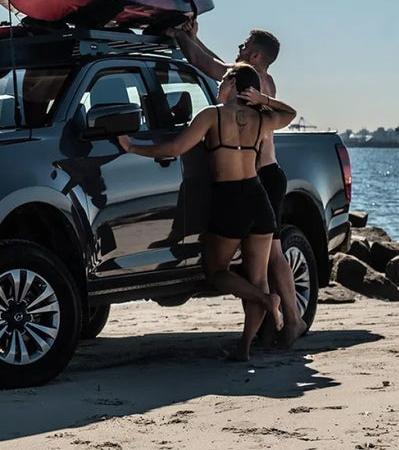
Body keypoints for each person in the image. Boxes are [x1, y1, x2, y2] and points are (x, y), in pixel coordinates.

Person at [118, 62, 297, 360]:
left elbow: (174, 148)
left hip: (230, 200)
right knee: (258, 277)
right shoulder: (260, 119)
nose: (219, 84)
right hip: (258, 198)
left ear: (235, 84)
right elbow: (289, 114)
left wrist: (133, 147)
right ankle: (244, 348)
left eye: (225, 79)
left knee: (215, 271)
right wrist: (263, 100)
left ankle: (268, 301)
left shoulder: (211, 115)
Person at [170, 21, 307, 347]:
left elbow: (209, 65)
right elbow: (219, 64)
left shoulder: (253, 82)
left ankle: (293, 320)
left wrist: (180, 36)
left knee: (272, 254)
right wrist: (196, 39)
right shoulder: (261, 79)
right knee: (260, 260)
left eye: (244, 47)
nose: (239, 49)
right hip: (259, 177)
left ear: (256, 55)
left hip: (263, 176)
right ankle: (273, 325)